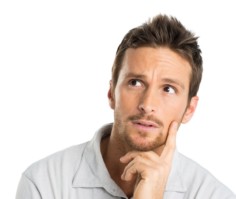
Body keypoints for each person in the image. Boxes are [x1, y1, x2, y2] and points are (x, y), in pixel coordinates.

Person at [15, 14, 236, 199]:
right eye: (135, 83)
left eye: (168, 89)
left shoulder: (212, 195)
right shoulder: (45, 183)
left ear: (190, 109)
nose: (147, 105)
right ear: (111, 93)